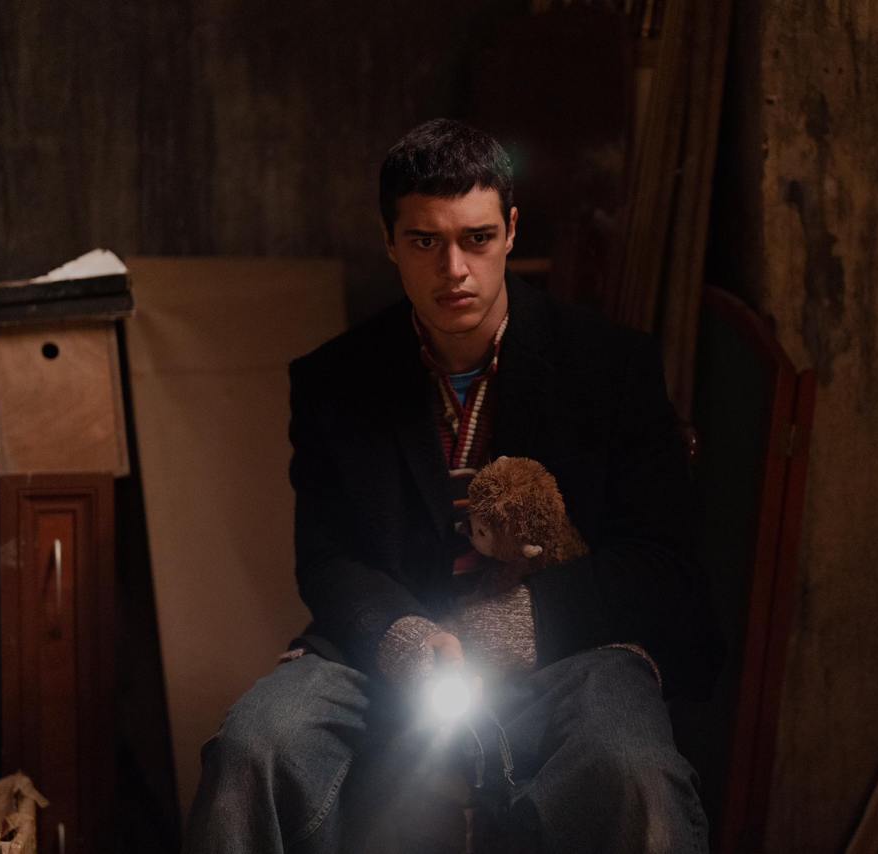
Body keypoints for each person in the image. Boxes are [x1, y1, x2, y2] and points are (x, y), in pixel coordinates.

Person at [182, 118, 722, 854]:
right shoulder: (334, 378)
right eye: (425, 242)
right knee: (255, 745)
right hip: (390, 650)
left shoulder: (609, 365)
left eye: (477, 238)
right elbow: (327, 559)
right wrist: (401, 636)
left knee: (637, 776)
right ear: (389, 242)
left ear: (511, 230)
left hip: (571, 648)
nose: (455, 269)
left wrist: (515, 625)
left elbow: (662, 561)